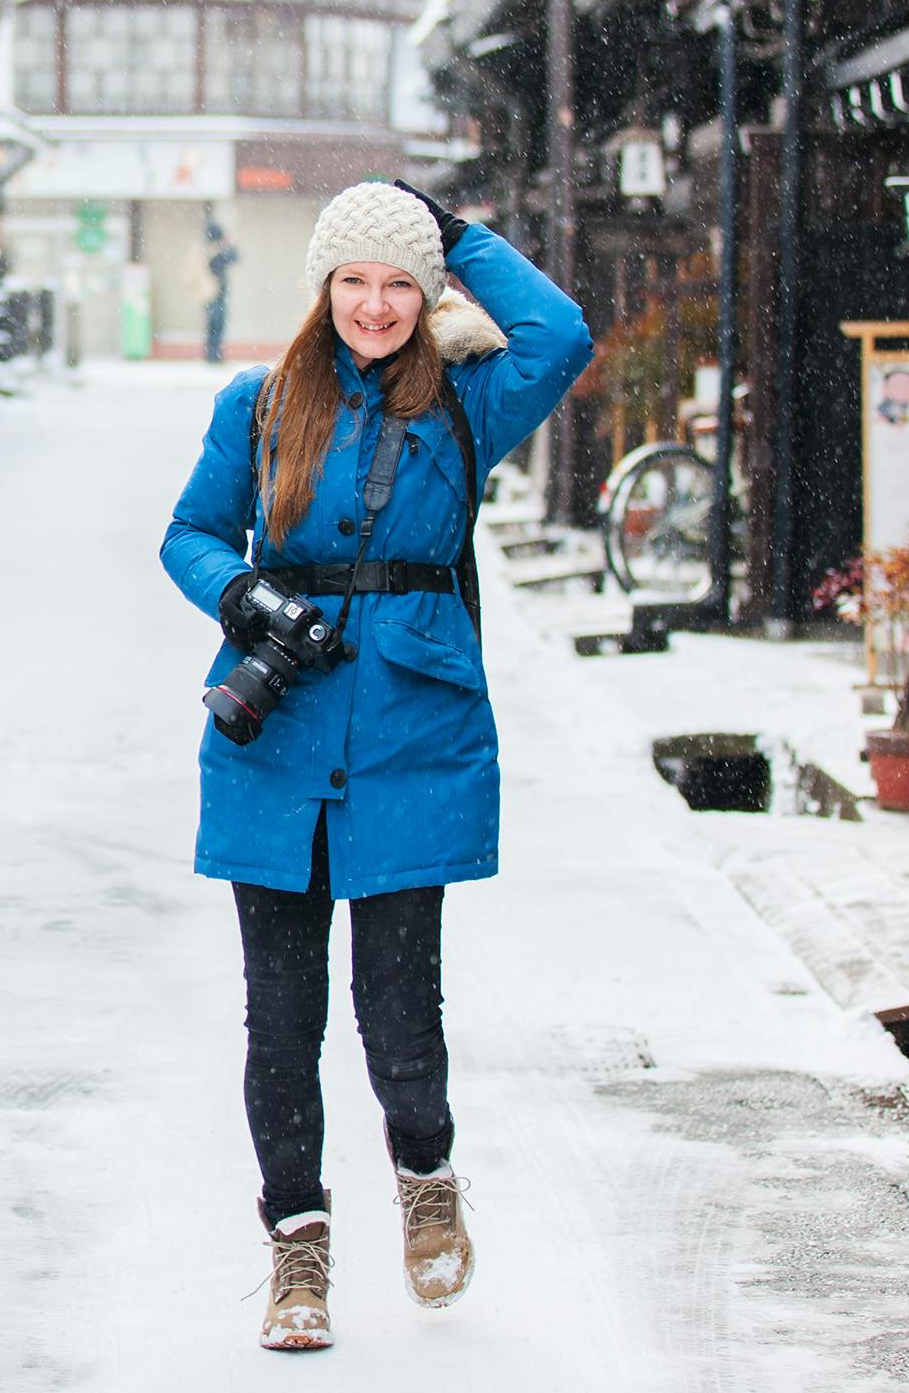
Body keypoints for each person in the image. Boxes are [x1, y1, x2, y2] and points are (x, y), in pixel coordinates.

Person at [158, 179, 591, 1352]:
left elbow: (562, 333)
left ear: (429, 292)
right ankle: (298, 1254)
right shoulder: (257, 404)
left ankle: (427, 1177)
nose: (377, 303)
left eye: (401, 281)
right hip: (279, 726)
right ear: (322, 286)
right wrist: (243, 594)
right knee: (281, 1015)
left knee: (400, 1003)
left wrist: (453, 235)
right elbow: (189, 534)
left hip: (413, 730)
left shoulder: (467, 404)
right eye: (356, 278)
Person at [200, 213, 240, 366]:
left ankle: (213, 352)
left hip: (212, 290)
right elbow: (232, 258)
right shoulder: (214, 250)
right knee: (216, 321)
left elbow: (234, 258)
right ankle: (213, 353)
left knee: (214, 322)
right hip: (214, 290)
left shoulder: (208, 248)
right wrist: (228, 245)